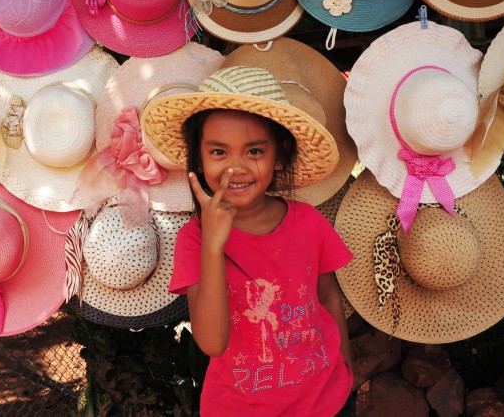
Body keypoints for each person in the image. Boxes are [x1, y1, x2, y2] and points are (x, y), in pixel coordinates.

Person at [143, 66, 353, 415]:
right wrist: (213, 244)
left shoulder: (308, 222)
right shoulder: (194, 240)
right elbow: (211, 342)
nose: (235, 168)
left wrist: (344, 368)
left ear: (280, 155)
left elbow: (328, 296)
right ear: (199, 158)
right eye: (219, 152)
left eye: (254, 151)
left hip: (328, 400)